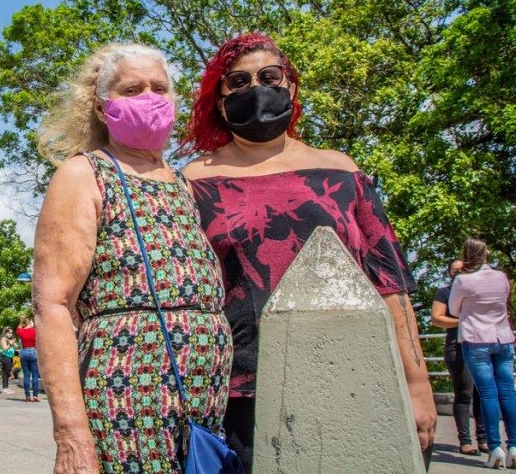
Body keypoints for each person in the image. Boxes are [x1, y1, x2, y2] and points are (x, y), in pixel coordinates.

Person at [181, 32, 435, 471]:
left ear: (291, 86)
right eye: (238, 82)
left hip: (356, 376)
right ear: (220, 103)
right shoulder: (193, 181)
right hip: (243, 391)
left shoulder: (342, 171)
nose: (255, 88)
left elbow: (389, 282)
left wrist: (416, 384)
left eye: (268, 76)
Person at [33, 43, 233, 472]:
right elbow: (53, 304)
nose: (149, 97)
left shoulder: (183, 184)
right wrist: (70, 433)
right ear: (102, 107)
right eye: (132, 89)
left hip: (203, 404)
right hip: (124, 401)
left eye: (159, 88)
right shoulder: (84, 174)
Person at [449, 238, 516, 469]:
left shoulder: (462, 280)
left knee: (488, 395)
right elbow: (503, 302)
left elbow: (453, 310)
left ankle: (495, 447)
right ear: (486, 254)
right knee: (507, 393)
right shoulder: (501, 277)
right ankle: (514, 446)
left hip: (476, 340)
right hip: (503, 338)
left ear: (465, 255)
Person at [432, 259, 487, 455]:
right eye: (454, 270)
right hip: (457, 347)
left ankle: (484, 439)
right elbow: (437, 318)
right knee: (464, 393)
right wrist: (463, 321)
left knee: (482, 393)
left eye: (462, 269)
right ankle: (465, 441)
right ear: (449, 273)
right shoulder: (444, 293)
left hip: (479, 346)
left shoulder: (475, 292)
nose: (458, 273)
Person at [16, 316, 40, 403]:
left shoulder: (21, 331)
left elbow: (18, 328)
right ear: (31, 322)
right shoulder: (35, 330)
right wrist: (31, 324)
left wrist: (22, 321)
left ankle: (27, 396)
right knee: (35, 376)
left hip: (24, 352)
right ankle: (35, 396)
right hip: (33, 351)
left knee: (26, 375)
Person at [0, 327, 18, 395]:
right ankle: (4, 388)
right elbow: (4, 348)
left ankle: (6, 387)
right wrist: (10, 344)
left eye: (11, 333)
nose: (11, 334)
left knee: (8, 372)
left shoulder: (11, 339)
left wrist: (13, 343)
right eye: (9, 333)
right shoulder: (3, 339)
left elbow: (16, 347)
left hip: (10, 357)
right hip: (5, 357)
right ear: (5, 333)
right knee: (5, 372)